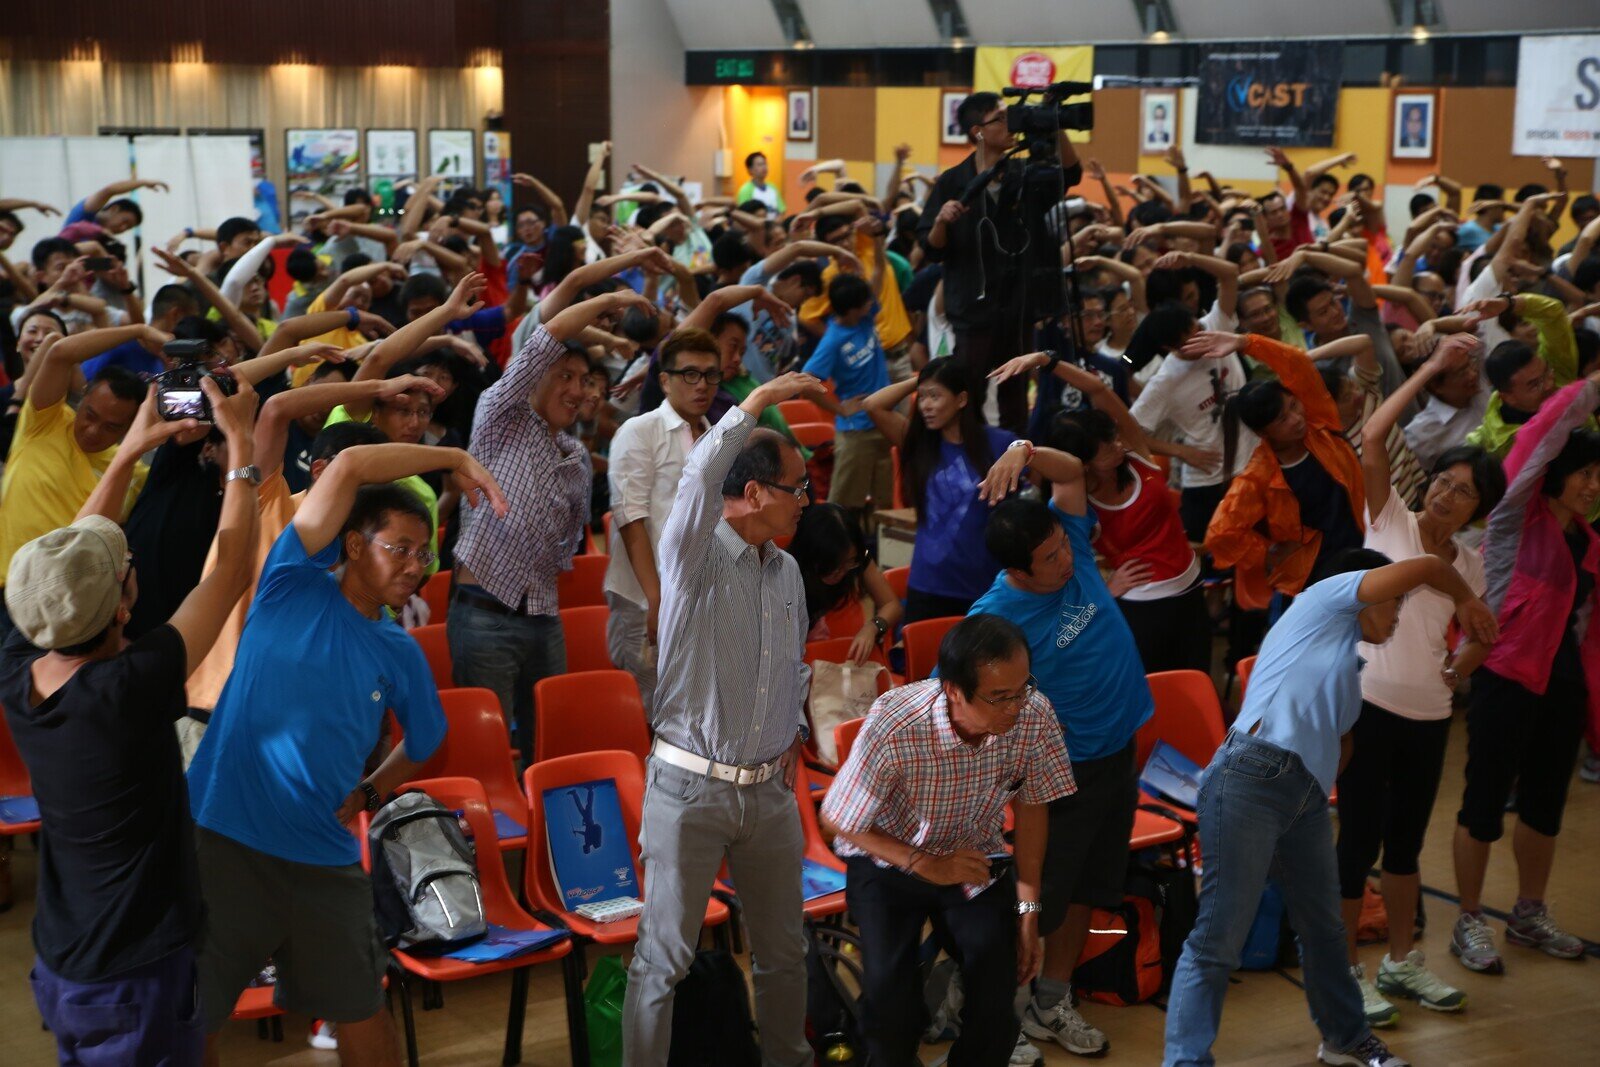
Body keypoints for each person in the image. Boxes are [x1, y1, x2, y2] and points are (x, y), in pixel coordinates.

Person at [186, 440, 506, 1064]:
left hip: (323, 862)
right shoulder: (290, 582)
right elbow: (354, 462)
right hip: (221, 841)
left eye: (425, 555)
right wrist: (450, 458)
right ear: (356, 546)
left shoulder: (399, 651)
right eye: (401, 549)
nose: (415, 566)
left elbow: (429, 741)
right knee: (192, 1014)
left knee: (363, 1009)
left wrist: (367, 794)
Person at [0, 377, 256, 1067]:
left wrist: (127, 452)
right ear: (123, 604)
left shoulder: (20, 663)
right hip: (136, 972)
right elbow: (229, 571)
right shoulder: (130, 686)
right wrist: (242, 445)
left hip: (65, 961)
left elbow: (66, 558)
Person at [1163, 548, 1498, 1067]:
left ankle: (1343, 1037)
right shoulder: (1322, 602)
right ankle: (1184, 1061)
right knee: (1219, 937)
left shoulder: (1347, 666)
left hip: (1305, 799)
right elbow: (1432, 565)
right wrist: (1468, 599)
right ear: (1367, 590)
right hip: (1249, 777)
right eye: (1396, 603)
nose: (1398, 615)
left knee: (1324, 930)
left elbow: (1340, 745)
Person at [621, 371, 823, 1066]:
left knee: (783, 953)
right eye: (797, 487)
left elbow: (791, 669)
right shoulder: (692, 553)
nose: (806, 501)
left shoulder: (787, 572)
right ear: (757, 492)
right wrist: (757, 402)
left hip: (769, 793)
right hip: (690, 789)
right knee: (663, 960)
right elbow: (702, 473)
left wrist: (790, 742)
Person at [1334, 336, 1506, 1027]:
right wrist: (1433, 368)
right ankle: (1344, 969)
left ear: (1476, 511)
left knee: (1405, 845)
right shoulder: (1390, 520)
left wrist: (1457, 667)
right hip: (1368, 704)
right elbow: (1373, 434)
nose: (1444, 492)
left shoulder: (1472, 563)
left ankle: (1402, 961)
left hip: (1431, 716)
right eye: (1441, 480)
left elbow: (1475, 644)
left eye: (1461, 491)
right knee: (1358, 843)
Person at [820, 614, 1075, 1065]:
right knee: (890, 1006)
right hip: (888, 862)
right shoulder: (897, 722)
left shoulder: (1033, 715)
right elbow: (838, 817)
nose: (1015, 709)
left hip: (972, 858)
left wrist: (1029, 909)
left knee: (1000, 989)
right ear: (954, 690)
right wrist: (924, 863)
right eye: (999, 698)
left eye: (1022, 690)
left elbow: (1034, 807)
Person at [969, 446, 1156, 1061]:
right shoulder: (996, 617)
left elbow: (1073, 470)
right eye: (1051, 559)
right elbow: (973, 703)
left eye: (1064, 545)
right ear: (1018, 570)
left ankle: (1053, 998)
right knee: (1035, 900)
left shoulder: (1067, 537)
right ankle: (1004, 1015)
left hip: (1117, 755)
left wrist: (1024, 451)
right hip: (1059, 774)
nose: (1068, 559)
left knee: (1088, 891)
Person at [449, 284, 653, 762]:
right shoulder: (499, 416)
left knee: (550, 749)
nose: (577, 389)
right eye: (564, 375)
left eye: (584, 380)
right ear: (533, 376)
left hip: (543, 618)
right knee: (490, 754)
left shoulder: (577, 456)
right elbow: (548, 332)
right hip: (484, 616)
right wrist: (607, 300)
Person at [1449, 373, 1600, 976]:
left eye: (1598, 476)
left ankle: (1528, 913)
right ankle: (1467, 920)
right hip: (1504, 674)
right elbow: (1543, 432)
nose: (1594, 486)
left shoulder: (1589, 543)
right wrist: (1591, 387)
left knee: (1544, 804)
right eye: (1586, 473)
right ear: (1556, 474)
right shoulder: (1514, 520)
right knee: (1483, 802)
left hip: (1560, 685)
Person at [998, 350, 1210, 674]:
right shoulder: (1075, 503)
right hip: (1141, 608)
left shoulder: (1136, 454)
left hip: (1192, 592)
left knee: (1199, 685)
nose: (1118, 446)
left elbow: (1099, 391)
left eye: (1113, 438)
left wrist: (1047, 362)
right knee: (1157, 696)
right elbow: (1067, 568)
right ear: (1082, 464)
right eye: (1107, 447)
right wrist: (1108, 588)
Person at [918, 91, 1082, 432]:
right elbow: (931, 248)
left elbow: (1071, 173)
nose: (1012, 126)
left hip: (1019, 306)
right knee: (969, 398)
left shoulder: (1024, 173)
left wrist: (1054, 122)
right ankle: (974, 469)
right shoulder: (952, 181)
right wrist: (941, 222)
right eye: (1002, 119)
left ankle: (1016, 470)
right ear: (978, 130)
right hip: (973, 311)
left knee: (1015, 399)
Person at [1201, 331, 1367, 619]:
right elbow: (1220, 534)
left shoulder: (1318, 425)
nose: (1297, 419)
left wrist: (1246, 343)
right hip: (1314, 580)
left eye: (1293, 406)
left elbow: (1297, 364)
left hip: (1365, 551)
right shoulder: (1259, 477)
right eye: (1283, 419)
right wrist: (1267, 553)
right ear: (1264, 433)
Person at [0, 326, 152, 637]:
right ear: (81, 399)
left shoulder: (131, 473)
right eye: (90, 415)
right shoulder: (45, 422)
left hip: (69, 609)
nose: (93, 431)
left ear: (128, 429)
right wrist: (139, 329)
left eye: (111, 426)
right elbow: (59, 352)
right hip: (5, 587)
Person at [603, 327, 719, 716]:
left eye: (710, 374)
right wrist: (657, 599)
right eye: (690, 374)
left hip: (700, 595)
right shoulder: (640, 430)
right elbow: (630, 519)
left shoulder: (717, 435)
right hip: (644, 596)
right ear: (665, 380)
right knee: (649, 710)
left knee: (691, 710)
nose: (701, 384)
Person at [861, 358, 1013, 623]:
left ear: (962, 399)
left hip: (985, 585)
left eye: (935, 396)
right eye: (922, 397)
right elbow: (873, 405)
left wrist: (1023, 450)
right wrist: (922, 381)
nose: (925, 406)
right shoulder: (920, 444)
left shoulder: (999, 444)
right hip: (928, 585)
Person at [803, 271, 895, 518]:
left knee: (884, 505)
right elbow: (805, 383)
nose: (871, 303)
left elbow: (877, 281)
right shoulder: (832, 341)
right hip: (857, 433)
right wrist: (841, 409)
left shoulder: (865, 319)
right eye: (865, 301)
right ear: (851, 310)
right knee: (843, 506)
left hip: (884, 424)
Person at [1463, 293, 1581, 459]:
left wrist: (1508, 303)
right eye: (1534, 384)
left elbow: (1554, 314)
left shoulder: (1560, 375)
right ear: (1508, 397)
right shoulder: (1492, 448)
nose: (1549, 384)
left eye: (1547, 372)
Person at [788, 503, 903, 662]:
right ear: (812, 555)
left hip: (851, 661)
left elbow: (892, 605)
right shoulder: (789, 571)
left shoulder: (857, 558)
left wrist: (872, 627)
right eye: (832, 565)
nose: (840, 572)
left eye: (848, 562)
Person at [737, 151, 787, 215]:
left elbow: (781, 211)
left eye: (765, 164)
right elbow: (743, 214)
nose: (764, 167)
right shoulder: (745, 190)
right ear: (750, 169)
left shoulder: (773, 187)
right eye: (760, 165)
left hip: (774, 224)